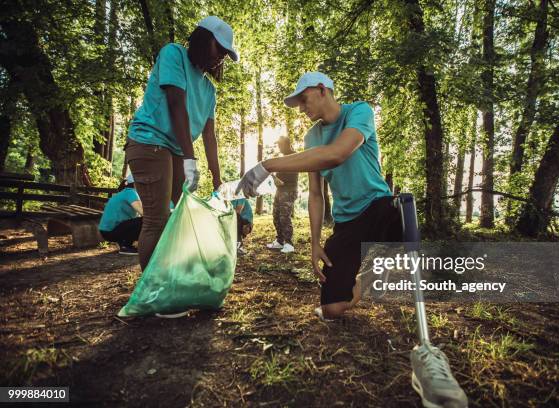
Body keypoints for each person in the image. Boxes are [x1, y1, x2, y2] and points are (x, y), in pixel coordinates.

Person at [237, 72, 401, 319]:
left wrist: (267, 165)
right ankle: (360, 284)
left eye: (304, 100)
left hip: (378, 207)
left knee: (399, 213)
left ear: (322, 89)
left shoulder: (359, 112)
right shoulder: (311, 137)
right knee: (331, 309)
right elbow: (315, 194)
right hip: (346, 221)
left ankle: (378, 269)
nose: (301, 108)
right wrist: (315, 243)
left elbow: (337, 153)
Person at [125, 16, 238, 270]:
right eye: (219, 48)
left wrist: (218, 180)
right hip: (149, 141)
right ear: (202, 39)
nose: (220, 57)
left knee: (173, 218)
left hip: (175, 150)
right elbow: (176, 105)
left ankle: (166, 280)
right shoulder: (173, 54)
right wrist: (190, 158)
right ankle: (152, 293)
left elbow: (210, 135)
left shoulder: (210, 90)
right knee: (157, 220)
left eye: (225, 54)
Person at [266, 136, 299, 253]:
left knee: (284, 217)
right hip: (280, 190)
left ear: (286, 144)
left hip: (289, 190)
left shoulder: (294, 156)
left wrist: (278, 179)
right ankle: (280, 241)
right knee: (276, 216)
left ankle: (289, 244)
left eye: (280, 145)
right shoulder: (282, 158)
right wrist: (274, 177)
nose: (279, 147)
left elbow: (290, 176)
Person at [98, 174, 143, 255]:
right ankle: (126, 246)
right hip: (112, 232)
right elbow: (143, 212)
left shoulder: (124, 192)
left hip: (106, 231)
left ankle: (124, 244)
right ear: (136, 183)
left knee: (139, 220)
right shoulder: (131, 193)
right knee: (147, 220)